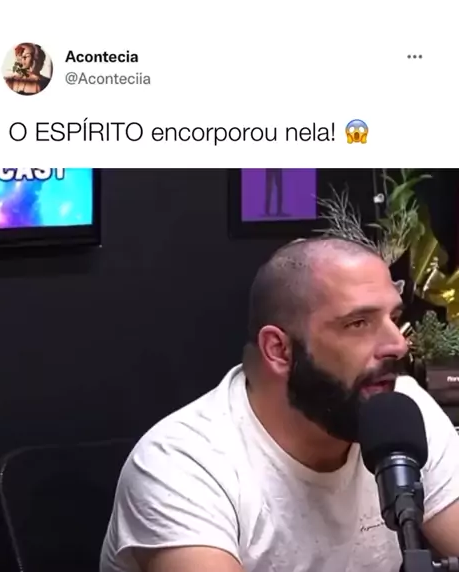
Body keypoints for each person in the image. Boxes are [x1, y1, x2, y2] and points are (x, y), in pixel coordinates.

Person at [100, 237, 459, 572]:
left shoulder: (400, 409)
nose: (398, 345)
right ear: (279, 350)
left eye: (393, 318)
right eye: (358, 323)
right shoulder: (180, 464)